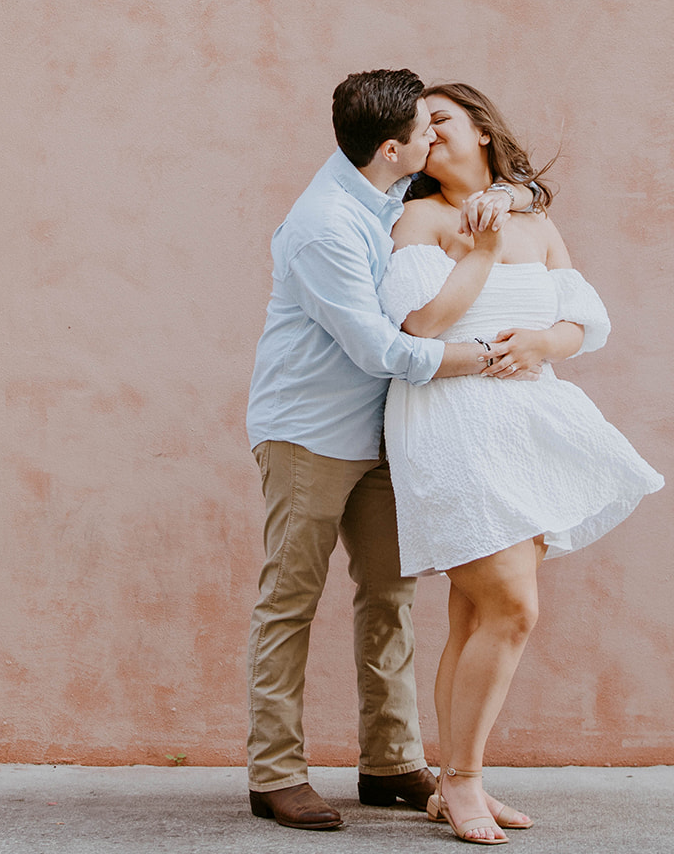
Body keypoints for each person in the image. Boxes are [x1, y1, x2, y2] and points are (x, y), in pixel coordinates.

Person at [245, 69, 554, 832]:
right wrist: (488, 354)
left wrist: (513, 197)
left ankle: (389, 764)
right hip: (310, 434)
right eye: (426, 128)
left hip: (385, 434)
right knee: (290, 601)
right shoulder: (324, 225)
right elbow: (388, 348)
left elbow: (512, 199)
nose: (435, 137)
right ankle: (275, 774)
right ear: (394, 148)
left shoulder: (383, 192)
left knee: (388, 598)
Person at [379, 83, 664, 844]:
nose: (427, 132)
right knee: (513, 609)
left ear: (479, 126)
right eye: (416, 127)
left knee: (474, 614)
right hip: (451, 420)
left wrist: (543, 343)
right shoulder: (421, 216)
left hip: (527, 424)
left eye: (439, 117)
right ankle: (465, 783)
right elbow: (419, 325)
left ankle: (452, 782)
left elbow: (584, 322)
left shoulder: (535, 221)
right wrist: (476, 252)